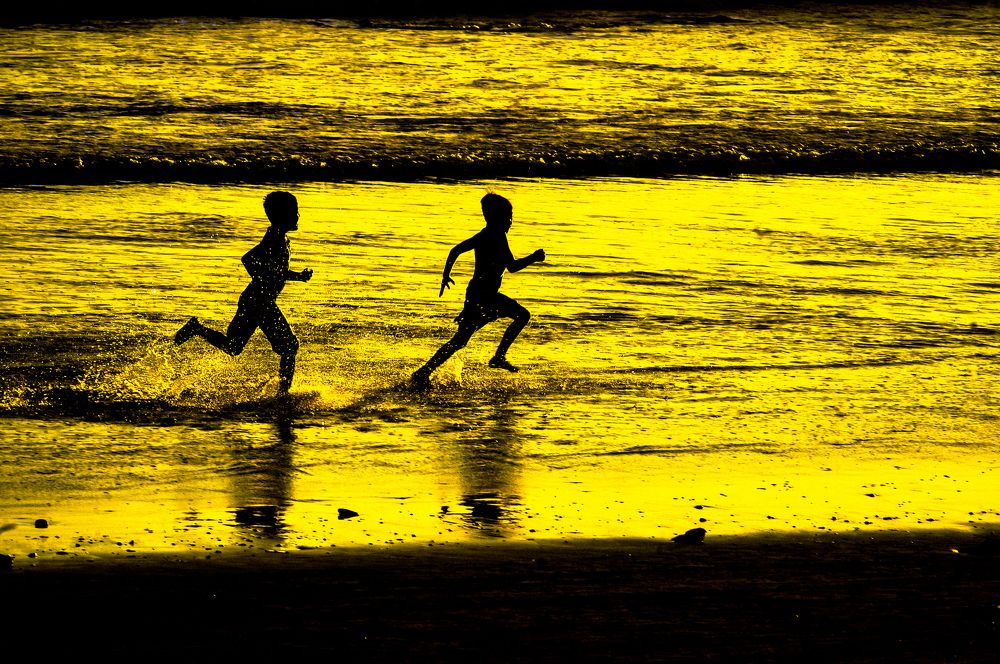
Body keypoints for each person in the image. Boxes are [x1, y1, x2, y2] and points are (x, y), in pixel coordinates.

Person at [174, 190, 312, 395]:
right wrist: (261, 280)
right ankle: (283, 395)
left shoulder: (280, 237)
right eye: (294, 211)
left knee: (234, 347)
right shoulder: (274, 236)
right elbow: (248, 259)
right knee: (289, 345)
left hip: (258, 301)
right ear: (282, 215)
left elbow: (277, 272)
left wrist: (297, 277)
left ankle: (197, 329)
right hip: (258, 301)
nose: (297, 215)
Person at [411, 192, 544, 387]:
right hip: (485, 296)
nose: (510, 222)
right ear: (497, 218)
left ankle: (423, 372)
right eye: (508, 217)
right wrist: (534, 257)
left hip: (476, 294)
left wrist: (445, 275)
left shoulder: (484, 234)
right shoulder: (497, 236)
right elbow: (512, 267)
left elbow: (455, 250)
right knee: (522, 315)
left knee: (460, 340)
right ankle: (498, 357)